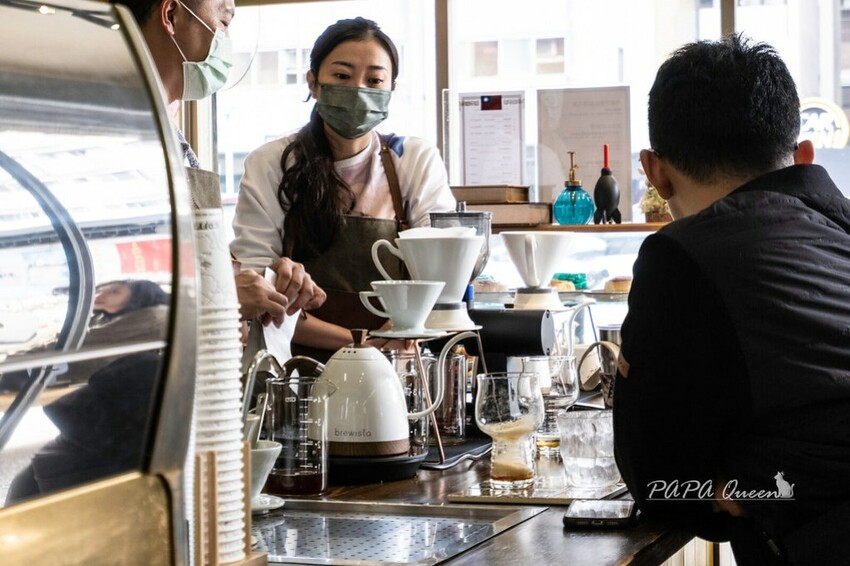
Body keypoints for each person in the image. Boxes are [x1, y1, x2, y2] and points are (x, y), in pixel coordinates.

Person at [613, 34, 850, 565]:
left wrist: (758, 483)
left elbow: (657, 481)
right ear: (802, 155)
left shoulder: (679, 257)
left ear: (655, 171)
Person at [231, 17, 456, 362]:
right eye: (341, 76)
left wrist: (396, 337)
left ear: (391, 89)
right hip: (296, 371)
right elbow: (262, 293)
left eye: (374, 79)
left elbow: (442, 269)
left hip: (396, 362)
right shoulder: (272, 163)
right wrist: (366, 346)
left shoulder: (412, 160)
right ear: (313, 83)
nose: (358, 89)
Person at [112, 0, 324, 330]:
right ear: (171, 15)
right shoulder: (115, 135)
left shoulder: (171, 135)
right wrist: (219, 299)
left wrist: (264, 283)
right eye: (223, 23)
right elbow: (106, 289)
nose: (226, 41)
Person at [0, 280, 170, 391]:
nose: (101, 294)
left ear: (139, 297)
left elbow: (85, 339)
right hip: (67, 370)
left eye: (114, 292)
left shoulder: (155, 316)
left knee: (14, 374)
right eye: (103, 289)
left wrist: (30, 354)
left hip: (85, 374)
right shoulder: (102, 317)